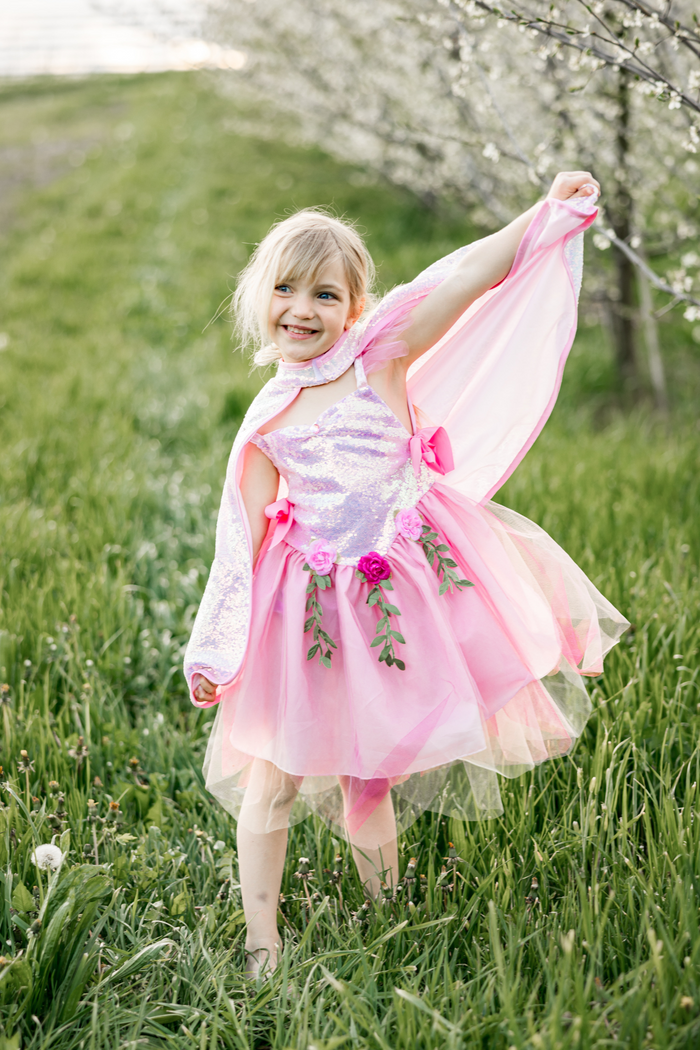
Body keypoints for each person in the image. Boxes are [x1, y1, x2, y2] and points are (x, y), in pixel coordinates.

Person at [184, 172, 629, 976]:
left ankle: (388, 916)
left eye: (324, 294)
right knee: (274, 780)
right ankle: (261, 942)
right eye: (285, 290)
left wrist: (543, 213)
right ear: (260, 298)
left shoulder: (380, 355)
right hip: (310, 613)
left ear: (355, 307)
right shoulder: (269, 419)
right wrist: (215, 650)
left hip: (395, 598)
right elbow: (237, 541)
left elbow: (460, 275)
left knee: (370, 777)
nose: (301, 310)